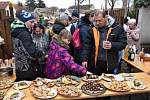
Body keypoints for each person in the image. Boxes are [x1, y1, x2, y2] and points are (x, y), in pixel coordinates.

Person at [81, 11, 127, 75]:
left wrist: (112, 45)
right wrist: (84, 59)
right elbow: (87, 45)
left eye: (100, 21)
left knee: (109, 83)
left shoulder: (117, 28)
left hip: (110, 64)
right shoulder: (92, 29)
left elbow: (123, 43)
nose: (97, 23)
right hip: (95, 64)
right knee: (96, 83)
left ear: (106, 18)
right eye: (95, 20)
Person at [11, 11, 44, 81]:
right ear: (24, 22)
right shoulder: (24, 34)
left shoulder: (16, 31)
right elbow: (32, 53)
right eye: (31, 22)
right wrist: (40, 52)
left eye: (33, 22)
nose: (33, 24)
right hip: (28, 70)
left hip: (20, 68)